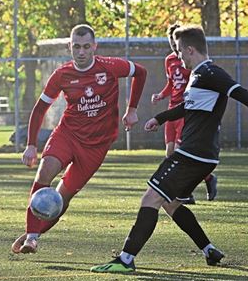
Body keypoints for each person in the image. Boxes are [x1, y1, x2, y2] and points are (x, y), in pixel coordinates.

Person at [91, 25, 248, 273]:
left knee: (151, 197)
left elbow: (240, 93)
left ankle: (126, 259)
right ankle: (209, 250)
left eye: (180, 51)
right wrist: (160, 118)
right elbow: (189, 107)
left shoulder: (211, 72)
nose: (178, 56)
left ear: (190, 50)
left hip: (193, 153)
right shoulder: (198, 75)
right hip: (201, 155)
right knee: (169, 202)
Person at [11, 24, 147, 254]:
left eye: (86, 47)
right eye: (76, 47)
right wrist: (31, 146)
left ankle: (32, 233)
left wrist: (131, 109)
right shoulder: (62, 74)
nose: (81, 52)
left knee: (62, 198)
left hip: (96, 147)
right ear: (70, 47)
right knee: (44, 173)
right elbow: (40, 108)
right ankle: (32, 239)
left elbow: (140, 72)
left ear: (95, 46)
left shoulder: (110, 66)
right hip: (68, 135)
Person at [151, 23, 217, 204]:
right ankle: (209, 178)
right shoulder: (169, 60)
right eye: (171, 42)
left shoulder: (190, 58)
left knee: (181, 151)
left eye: (176, 42)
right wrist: (161, 95)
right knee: (169, 152)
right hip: (172, 108)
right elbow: (172, 84)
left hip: (187, 109)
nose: (174, 46)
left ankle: (185, 193)